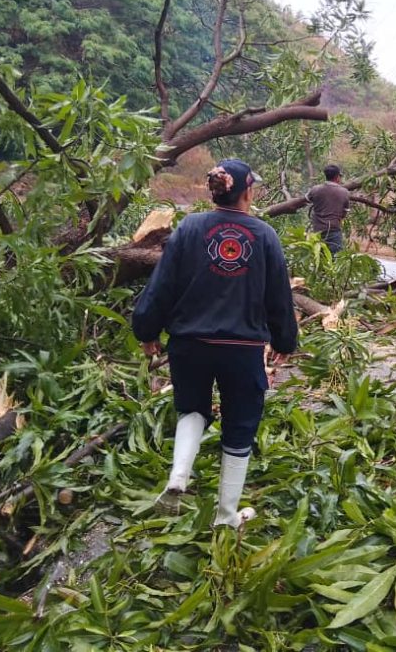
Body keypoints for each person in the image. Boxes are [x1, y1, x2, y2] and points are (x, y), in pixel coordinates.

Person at [132, 158, 298, 527]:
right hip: (242, 349)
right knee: (240, 422)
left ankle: (178, 476)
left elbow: (162, 285)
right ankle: (226, 515)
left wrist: (147, 330)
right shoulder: (264, 235)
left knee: (191, 408)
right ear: (247, 191)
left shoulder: (190, 227)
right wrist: (284, 339)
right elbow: (278, 296)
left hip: (189, 343)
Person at [305, 164, 350, 255]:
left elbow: (307, 199)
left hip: (318, 231)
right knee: (335, 259)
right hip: (334, 231)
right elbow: (344, 213)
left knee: (318, 258)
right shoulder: (344, 192)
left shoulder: (315, 189)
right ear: (337, 177)